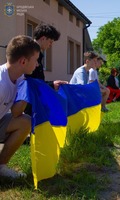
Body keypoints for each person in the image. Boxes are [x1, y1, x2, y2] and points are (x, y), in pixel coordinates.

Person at [0, 35, 40, 178]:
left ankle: (1, 167)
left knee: (26, 122)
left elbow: (16, 113)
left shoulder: (19, 77)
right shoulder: (1, 84)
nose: (37, 65)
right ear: (23, 61)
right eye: (36, 60)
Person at [25, 23, 67, 90]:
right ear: (43, 38)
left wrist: (52, 84)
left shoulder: (37, 54)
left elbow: (38, 81)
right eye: (50, 42)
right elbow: (30, 82)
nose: (50, 45)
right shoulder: (29, 53)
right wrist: (52, 85)